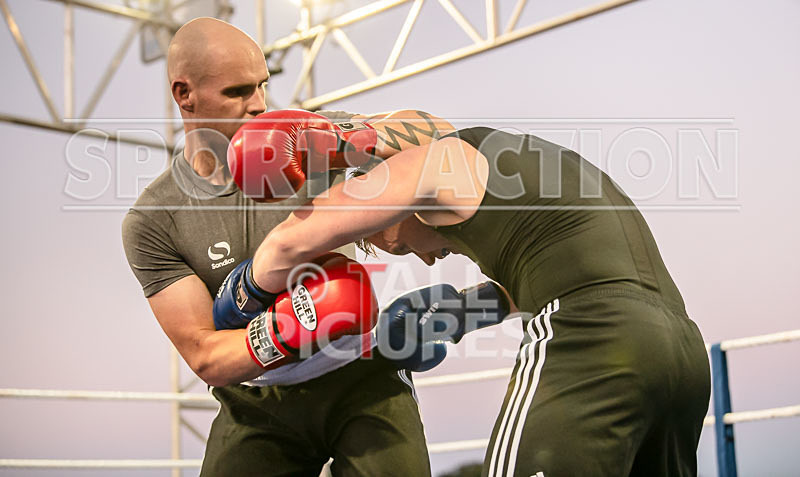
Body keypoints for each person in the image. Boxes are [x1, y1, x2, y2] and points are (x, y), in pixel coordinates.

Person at [236, 121, 712, 476]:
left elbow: (290, 243)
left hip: (592, 340)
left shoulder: (437, 162)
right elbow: (559, 277)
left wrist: (246, 297)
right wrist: (454, 315)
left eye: (375, 237)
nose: (411, 257)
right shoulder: (523, 170)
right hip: (680, 354)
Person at [121, 17, 454, 476]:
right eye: (238, 92)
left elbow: (436, 132)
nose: (258, 105)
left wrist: (345, 139)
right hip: (256, 398)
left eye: (262, 86)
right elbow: (204, 354)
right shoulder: (155, 219)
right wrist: (286, 330)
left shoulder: (303, 137)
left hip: (361, 375)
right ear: (184, 94)